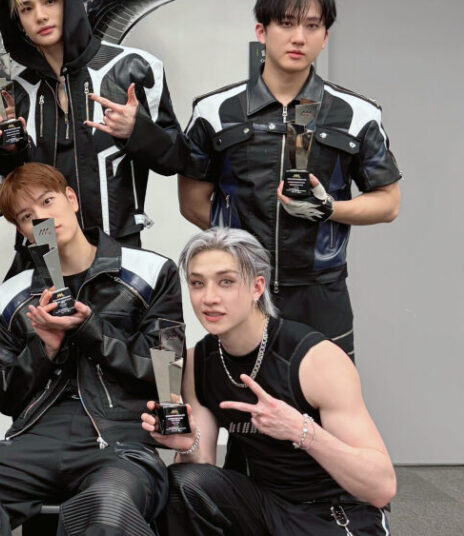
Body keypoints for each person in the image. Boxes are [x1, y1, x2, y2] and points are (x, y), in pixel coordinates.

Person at [0, 163, 182, 535]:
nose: (42, 218)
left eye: (47, 201)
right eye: (28, 217)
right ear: (23, 232)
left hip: (120, 440)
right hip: (37, 438)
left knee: (108, 504)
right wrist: (43, 349)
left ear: (71, 199)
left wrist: (90, 330)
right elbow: (0, 392)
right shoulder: (14, 293)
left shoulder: (150, 272)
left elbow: (165, 368)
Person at [178, 0, 401, 358]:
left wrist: (328, 209)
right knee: (238, 393)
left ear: (324, 37)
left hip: (321, 293)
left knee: (326, 394)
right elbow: (192, 202)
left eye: (312, 26)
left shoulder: (356, 114)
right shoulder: (214, 111)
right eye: (286, 23)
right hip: (243, 291)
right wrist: (242, 253)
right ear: (261, 32)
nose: (299, 37)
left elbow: (388, 203)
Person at [143, 227, 395, 534]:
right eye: (197, 283)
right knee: (180, 482)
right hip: (263, 507)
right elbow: (202, 464)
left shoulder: (315, 361)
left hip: (333, 514)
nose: (209, 298)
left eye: (226, 282)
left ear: (257, 287)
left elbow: (381, 487)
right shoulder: (199, 362)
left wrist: (301, 430)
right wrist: (187, 445)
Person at [0, 0, 185, 252]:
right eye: (26, 9)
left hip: (118, 249)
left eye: (50, 1)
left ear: (70, 3)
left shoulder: (134, 67)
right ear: (18, 22)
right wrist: (10, 151)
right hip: (45, 252)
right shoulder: (15, 93)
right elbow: (11, 192)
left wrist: (136, 130)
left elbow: (177, 160)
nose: (40, 16)